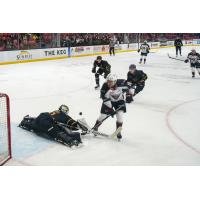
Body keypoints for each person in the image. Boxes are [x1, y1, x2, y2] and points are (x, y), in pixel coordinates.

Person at [19, 105, 84, 147]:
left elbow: (41, 118)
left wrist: (27, 118)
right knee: (57, 132)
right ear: (65, 111)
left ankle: (25, 121)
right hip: (48, 122)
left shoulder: (55, 112)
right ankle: (71, 141)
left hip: (42, 115)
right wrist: (79, 126)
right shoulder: (64, 115)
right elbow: (72, 122)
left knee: (36, 125)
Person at [93, 74, 126, 140]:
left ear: (115, 81)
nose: (109, 83)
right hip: (108, 101)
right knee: (103, 115)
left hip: (119, 101)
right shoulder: (105, 86)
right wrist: (110, 109)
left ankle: (118, 132)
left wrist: (128, 94)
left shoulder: (121, 82)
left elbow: (129, 86)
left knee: (120, 116)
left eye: (111, 82)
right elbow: (104, 98)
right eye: (108, 81)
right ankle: (95, 127)